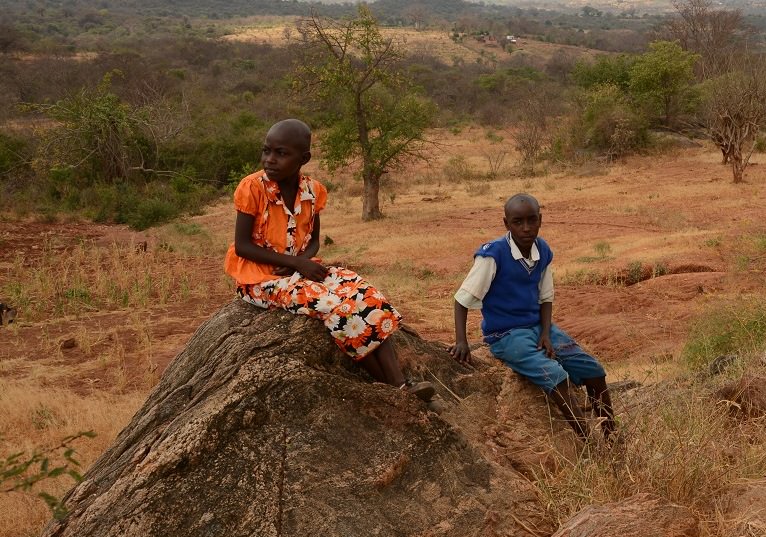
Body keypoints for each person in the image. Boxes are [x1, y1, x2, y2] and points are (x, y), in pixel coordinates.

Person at [224, 118, 434, 399]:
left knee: (365, 294)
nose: (270, 160)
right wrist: (295, 264)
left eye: (281, 153)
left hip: (298, 269)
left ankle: (400, 383)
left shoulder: (313, 191)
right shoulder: (252, 188)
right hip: (260, 277)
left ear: (304, 158)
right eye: (266, 151)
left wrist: (303, 261)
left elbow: (313, 240)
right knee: (333, 305)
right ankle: (392, 387)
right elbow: (242, 247)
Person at [448, 193, 615, 440]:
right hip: (505, 335)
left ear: (540, 220)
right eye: (518, 222)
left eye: (531, 220)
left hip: (538, 326)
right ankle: (587, 439)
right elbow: (461, 299)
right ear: (506, 224)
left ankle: (612, 437)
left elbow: (545, 297)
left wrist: (547, 333)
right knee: (555, 376)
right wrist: (462, 341)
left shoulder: (542, 250)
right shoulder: (492, 255)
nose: (526, 228)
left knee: (594, 370)